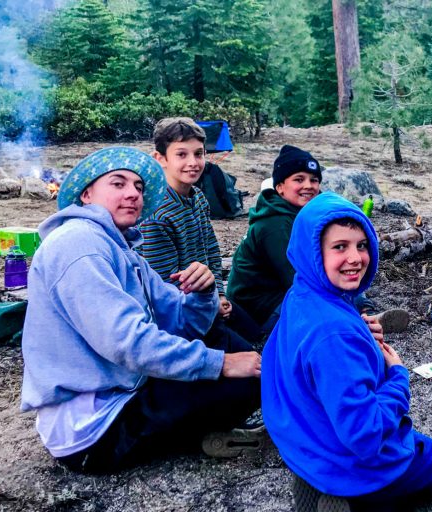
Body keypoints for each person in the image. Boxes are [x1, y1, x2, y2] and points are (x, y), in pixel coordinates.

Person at [20, 147, 262, 473]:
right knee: (245, 378)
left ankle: (198, 429)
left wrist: (203, 295)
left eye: (138, 186)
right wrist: (220, 364)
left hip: (124, 388)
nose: (133, 193)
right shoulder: (78, 245)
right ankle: (193, 434)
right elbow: (129, 343)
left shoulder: (121, 248)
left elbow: (180, 322)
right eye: (118, 184)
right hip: (94, 429)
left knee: (223, 339)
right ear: (86, 193)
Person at [262, 192, 432, 510]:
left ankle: (315, 476)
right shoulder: (332, 336)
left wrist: (357, 331)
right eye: (340, 247)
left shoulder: (302, 293)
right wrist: (398, 378)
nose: (356, 258)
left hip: (304, 434)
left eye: (362, 245)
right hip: (349, 459)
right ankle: (354, 499)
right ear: (314, 252)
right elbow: (365, 435)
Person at [227, 144, 408, 337]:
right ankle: (357, 322)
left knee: (345, 274)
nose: (309, 186)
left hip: (281, 291)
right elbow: (299, 278)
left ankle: (365, 314)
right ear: (280, 187)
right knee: (326, 302)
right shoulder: (274, 224)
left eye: (314, 180)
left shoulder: (306, 214)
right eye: (299, 179)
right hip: (260, 307)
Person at [138, 117, 260, 344]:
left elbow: (211, 249)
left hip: (207, 292)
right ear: (160, 159)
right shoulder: (156, 214)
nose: (193, 162)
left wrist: (220, 294)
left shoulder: (198, 198)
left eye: (199, 153)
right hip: (179, 313)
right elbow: (164, 282)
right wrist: (209, 304)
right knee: (247, 357)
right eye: (181, 155)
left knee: (255, 332)